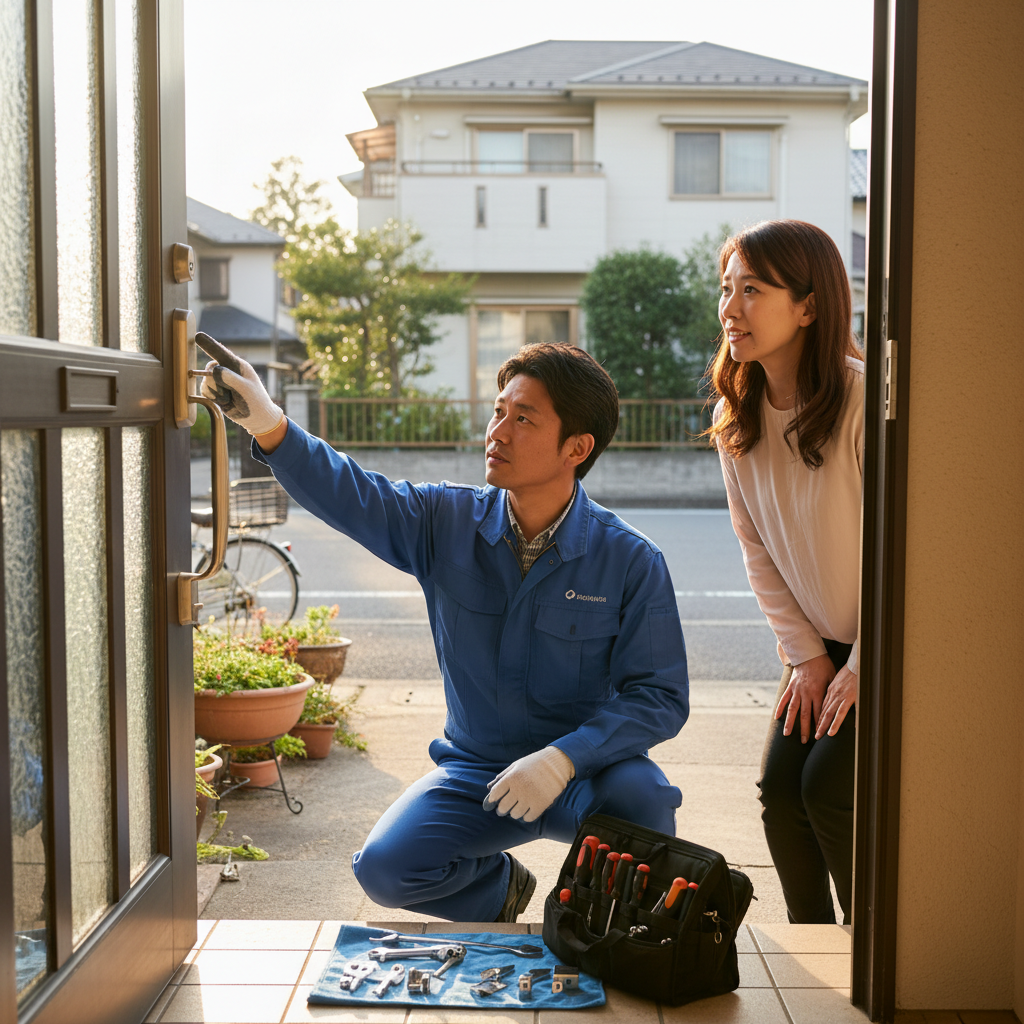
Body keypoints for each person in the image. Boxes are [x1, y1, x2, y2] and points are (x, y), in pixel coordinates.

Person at [195, 334, 689, 922]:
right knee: (384, 869)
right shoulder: (443, 521)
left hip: (587, 775)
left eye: (523, 418)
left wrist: (564, 757)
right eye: (498, 411)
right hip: (478, 771)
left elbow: (659, 697)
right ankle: (501, 889)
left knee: (645, 799)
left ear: (575, 447)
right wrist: (272, 427)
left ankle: (599, 925)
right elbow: (355, 496)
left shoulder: (629, 559)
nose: (498, 431)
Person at [709, 220, 863, 924]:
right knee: (781, 789)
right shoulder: (736, 415)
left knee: (828, 789)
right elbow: (757, 549)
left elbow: (909, 550)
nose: (731, 308)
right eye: (727, 289)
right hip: (816, 648)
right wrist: (806, 656)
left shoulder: (865, 402)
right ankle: (814, 951)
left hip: (885, 640)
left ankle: (877, 951)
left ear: (808, 305)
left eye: (754, 290)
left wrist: (861, 661)